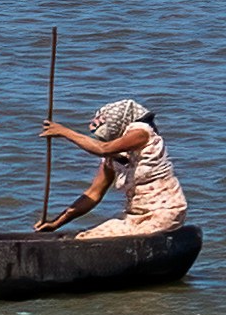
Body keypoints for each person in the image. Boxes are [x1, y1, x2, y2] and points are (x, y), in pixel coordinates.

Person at [39, 98, 190, 239]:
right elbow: (93, 194)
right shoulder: (114, 157)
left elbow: (103, 148)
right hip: (135, 216)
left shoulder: (142, 133)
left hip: (164, 212)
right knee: (85, 237)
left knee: (93, 241)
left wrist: (64, 132)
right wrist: (56, 223)